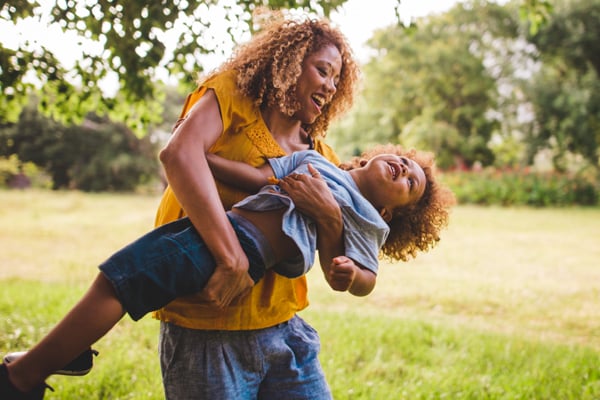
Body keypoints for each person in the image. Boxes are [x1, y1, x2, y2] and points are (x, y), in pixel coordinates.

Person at [6, 15, 358, 400]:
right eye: (322, 70)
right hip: (205, 329)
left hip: (283, 331)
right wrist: (232, 258)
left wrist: (330, 215)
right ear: (289, 62)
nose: (330, 85)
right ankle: (24, 375)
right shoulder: (232, 96)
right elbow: (179, 153)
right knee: (122, 279)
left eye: (337, 80)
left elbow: (336, 259)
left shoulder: (321, 156)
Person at [0, 145, 455, 399]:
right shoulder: (314, 160)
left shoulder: (368, 221)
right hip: (218, 231)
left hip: (238, 251)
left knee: (121, 280)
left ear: (390, 213)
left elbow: (364, 277)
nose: (403, 170)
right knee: (124, 279)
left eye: (409, 182)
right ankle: (50, 359)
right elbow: (256, 178)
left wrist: (350, 276)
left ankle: (23, 377)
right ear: (369, 157)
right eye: (404, 162)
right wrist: (201, 158)